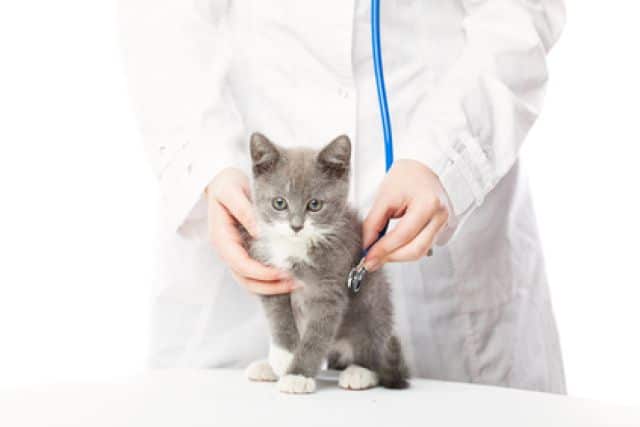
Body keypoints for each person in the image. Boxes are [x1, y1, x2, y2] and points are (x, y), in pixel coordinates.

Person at [118, 0, 567, 393]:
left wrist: (448, 159)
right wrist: (205, 163)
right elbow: (160, 13)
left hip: (445, 228)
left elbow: (519, 11)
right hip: (238, 208)